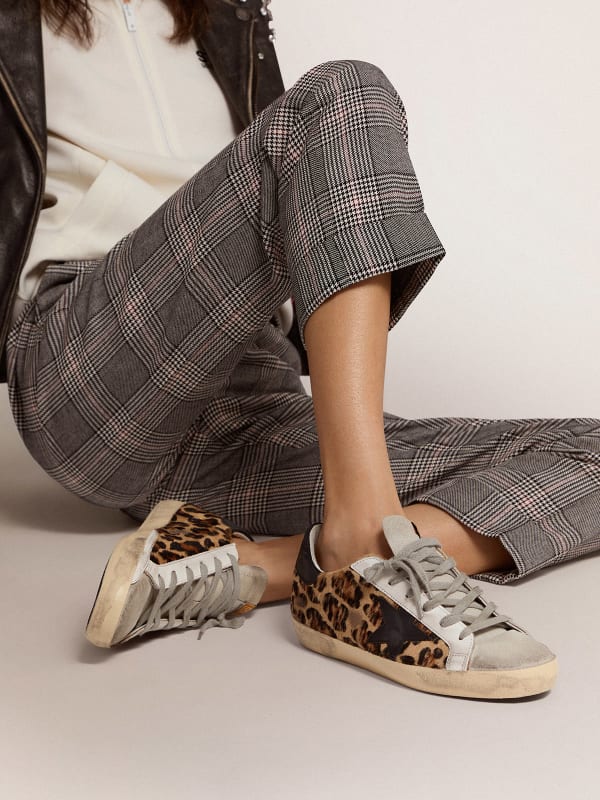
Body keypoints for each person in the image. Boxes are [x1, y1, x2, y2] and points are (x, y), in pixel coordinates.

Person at [2, 0, 598, 699]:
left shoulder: (223, 15)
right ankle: (363, 541)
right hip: (91, 370)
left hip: (248, 395)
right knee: (345, 94)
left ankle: (261, 565)